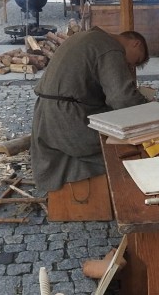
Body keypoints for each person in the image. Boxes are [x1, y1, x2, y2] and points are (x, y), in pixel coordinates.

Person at [31, 28, 150, 194]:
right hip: (66, 118)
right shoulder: (111, 48)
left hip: (45, 113)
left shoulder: (87, 36)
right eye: (134, 61)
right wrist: (149, 112)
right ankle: (120, 196)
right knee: (125, 150)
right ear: (135, 43)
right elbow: (122, 99)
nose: (130, 66)